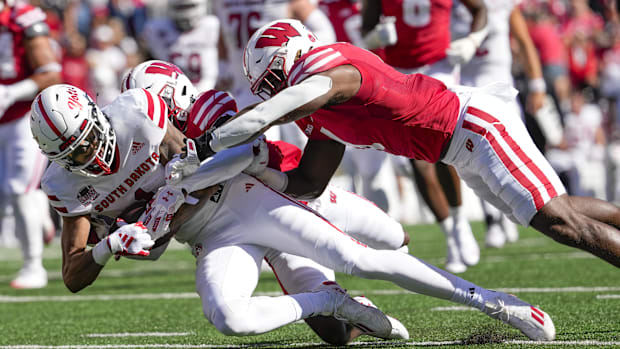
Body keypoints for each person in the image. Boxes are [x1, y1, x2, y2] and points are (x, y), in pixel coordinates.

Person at [31, 83, 555, 342]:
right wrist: (107, 245)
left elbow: (206, 151)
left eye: (86, 143)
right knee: (229, 318)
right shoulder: (65, 187)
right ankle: (323, 301)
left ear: (99, 116)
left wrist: (178, 179)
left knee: (367, 256)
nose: (87, 158)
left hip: (243, 198)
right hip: (210, 239)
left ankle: (497, 304)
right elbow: (75, 274)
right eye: (72, 155)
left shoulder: (139, 113)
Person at [191, 19, 620, 269]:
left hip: (473, 124)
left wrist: (223, 136)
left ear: (293, 56)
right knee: (550, 210)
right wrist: (254, 171)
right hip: (456, 147)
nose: (273, 91)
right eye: (267, 87)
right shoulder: (312, 110)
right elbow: (308, 183)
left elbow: (300, 96)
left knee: (556, 221)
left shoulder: (331, 64)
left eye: (273, 79)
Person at [121, 60, 410, 344]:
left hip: (294, 196)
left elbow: (238, 154)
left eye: (149, 108)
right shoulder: (148, 153)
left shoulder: (205, 108)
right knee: (336, 334)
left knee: (396, 240)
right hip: (231, 230)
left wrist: (184, 187)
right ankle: (352, 305)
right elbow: (156, 237)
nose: (145, 121)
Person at [361, 0, 485, 273]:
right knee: (415, 156)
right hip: (398, 72)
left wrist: (472, 41)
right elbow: (365, 30)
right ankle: (450, 233)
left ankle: (458, 219)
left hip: (439, 65)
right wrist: (375, 37)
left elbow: (481, 9)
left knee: (443, 146)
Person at [451, 0, 547, 248]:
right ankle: (493, 218)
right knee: (472, 157)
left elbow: (524, 41)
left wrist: (537, 84)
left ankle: (515, 210)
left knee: (516, 151)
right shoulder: (448, 7)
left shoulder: (502, 3)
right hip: (466, 88)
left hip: (503, 87)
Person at [0, 0, 62, 289]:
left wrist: (11, 92)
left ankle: (33, 266)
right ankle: (39, 214)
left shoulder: (21, 19)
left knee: (19, 190)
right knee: (9, 195)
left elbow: (51, 73)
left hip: (22, 117)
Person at [141, 0, 219, 91]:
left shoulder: (212, 26)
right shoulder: (156, 29)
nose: (185, 13)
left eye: (189, 6)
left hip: (210, 88)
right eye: (180, 7)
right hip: (172, 91)